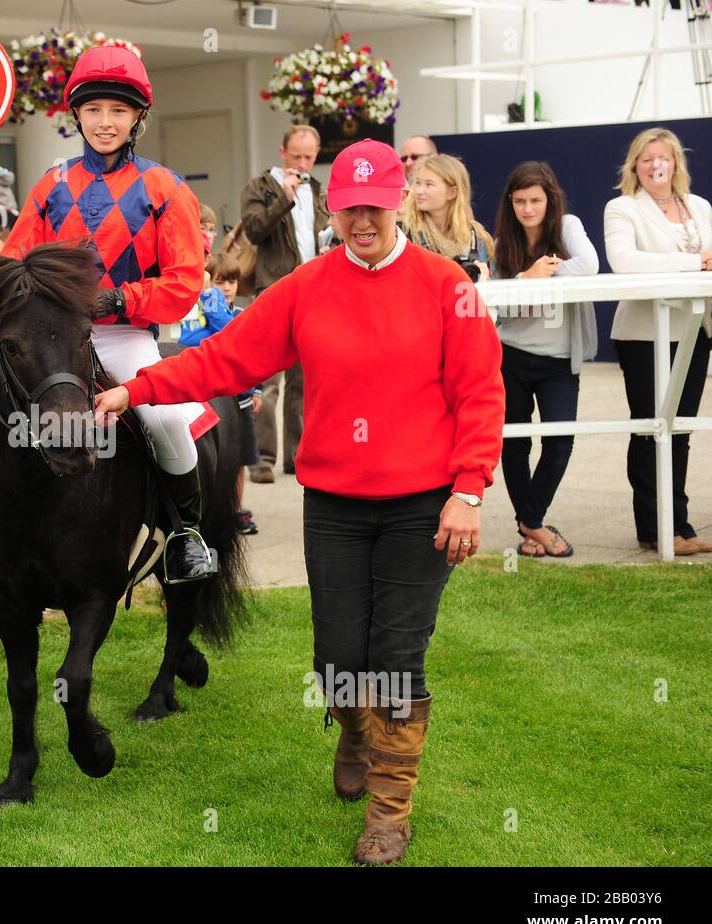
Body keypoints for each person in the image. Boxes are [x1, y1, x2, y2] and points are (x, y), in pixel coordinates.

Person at [94, 139, 505, 865]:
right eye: (349, 210)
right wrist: (138, 387)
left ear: (398, 203)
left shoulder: (449, 286)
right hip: (337, 504)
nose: (362, 222)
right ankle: (354, 725)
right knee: (340, 656)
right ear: (336, 210)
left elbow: (480, 394)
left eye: (375, 207)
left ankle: (389, 810)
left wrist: (468, 489)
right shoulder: (307, 286)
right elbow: (225, 358)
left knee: (396, 655)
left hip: (423, 502)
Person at [0, 43, 212, 593]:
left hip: (125, 334)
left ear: (138, 118)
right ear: (76, 115)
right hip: (50, 336)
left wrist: (115, 302)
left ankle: (187, 535)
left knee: (166, 419)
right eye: (95, 110)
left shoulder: (166, 187)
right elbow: (15, 257)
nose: (106, 122)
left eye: (119, 111)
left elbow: (184, 281)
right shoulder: (52, 184)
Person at [604, 127, 712, 554]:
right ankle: (655, 529)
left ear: (676, 164)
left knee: (680, 431)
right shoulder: (622, 208)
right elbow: (625, 262)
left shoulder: (699, 206)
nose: (655, 165)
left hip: (694, 331)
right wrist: (693, 263)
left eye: (663, 158)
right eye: (646, 158)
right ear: (634, 165)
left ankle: (679, 525)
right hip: (644, 336)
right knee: (651, 429)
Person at [493, 161, 599, 559]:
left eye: (535, 200)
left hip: (559, 359)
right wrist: (525, 279)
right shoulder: (504, 242)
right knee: (515, 444)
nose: (528, 209)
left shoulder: (567, 226)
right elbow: (505, 309)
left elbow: (588, 266)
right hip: (513, 355)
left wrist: (543, 272)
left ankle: (530, 522)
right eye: (519, 201)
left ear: (549, 199)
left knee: (559, 442)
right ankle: (533, 529)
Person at [240, 124, 328, 482]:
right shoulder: (260, 186)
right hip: (274, 288)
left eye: (310, 156)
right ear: (282, 152)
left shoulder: (318, 189)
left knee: (303, 379)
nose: (304, 163)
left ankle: (296, 456)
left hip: (314, 289)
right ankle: (262, 456)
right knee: (268, 377)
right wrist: (284, 197)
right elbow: (253, 229)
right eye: (297, 156)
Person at [179, 252, 264, 535]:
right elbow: (188, 341)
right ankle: (216, 510)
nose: (226, 288)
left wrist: (259, 389)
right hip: (212, 401)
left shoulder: (242, 314)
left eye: (231, 281)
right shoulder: (198, 313)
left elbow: (248, 348)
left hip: (242, 400)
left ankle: (236, 509)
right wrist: (209, 301)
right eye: (218, 282)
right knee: (214, 458)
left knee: (239, 460)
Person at [403, 154, 494, 283]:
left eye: (429, 184)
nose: (418, 191)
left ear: (452, 192)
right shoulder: (405, 233)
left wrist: (484, 278)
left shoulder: (475, 237)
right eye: (417, 183)